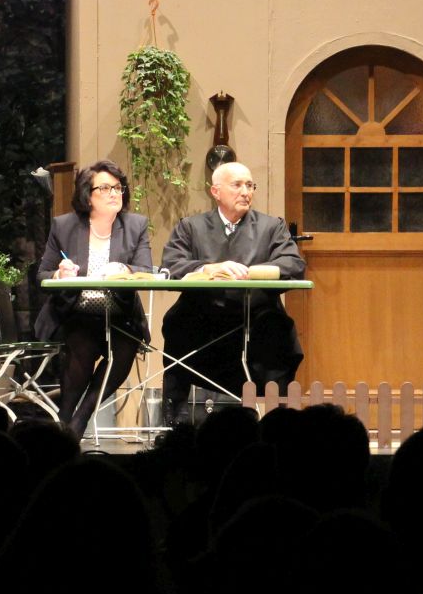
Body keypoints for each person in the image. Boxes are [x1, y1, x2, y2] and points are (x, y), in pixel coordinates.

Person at [160, 161, 305, 421]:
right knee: (177, 322)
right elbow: (171, 265)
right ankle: (174, 422)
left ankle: (279, 424)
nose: (245, 192)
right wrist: (209, 268)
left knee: (278, 330)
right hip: (204, 316)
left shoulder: (272, 227)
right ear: (216, 191)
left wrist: (252, 273)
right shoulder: (191, 227)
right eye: (237, 185)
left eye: (250, 185)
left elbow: (293, 264)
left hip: (257, 317)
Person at [34, 160, 153, 437]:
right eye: (106, 188)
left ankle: (80, 419)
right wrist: (60, 273)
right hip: (76, 311)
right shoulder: (64, 226)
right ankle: (65, 417)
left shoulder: (135, 225)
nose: (115, 193)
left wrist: (124, 269)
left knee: (125, 347)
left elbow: (145, 271)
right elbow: (41, 276)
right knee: (82, 343)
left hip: (121, 313)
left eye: (118, 188)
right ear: (88, 196)